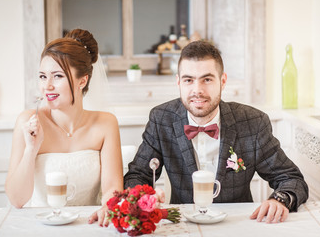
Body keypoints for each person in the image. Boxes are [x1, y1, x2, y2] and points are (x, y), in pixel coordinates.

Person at [124, 40, 308, 223]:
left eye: (207, 79)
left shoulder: (253, 122)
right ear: (179, 82)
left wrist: (280, 200)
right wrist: (141, 198)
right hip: (183, 224)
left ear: (223, 81)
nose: (198, 90)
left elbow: (291, 178)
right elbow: (137, 175)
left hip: (239, 223)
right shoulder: (161, 119)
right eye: (189, 80)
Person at [5, 29, 123, 226]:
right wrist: (31, 149)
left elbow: (112, 187)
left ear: (82, 80)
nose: (47, 86)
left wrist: (108, 207)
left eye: (57, 76)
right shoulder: (27, 121)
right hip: (41, 225)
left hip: (89, 225)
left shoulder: (106, 124)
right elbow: (17, 200)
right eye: (43, 76)